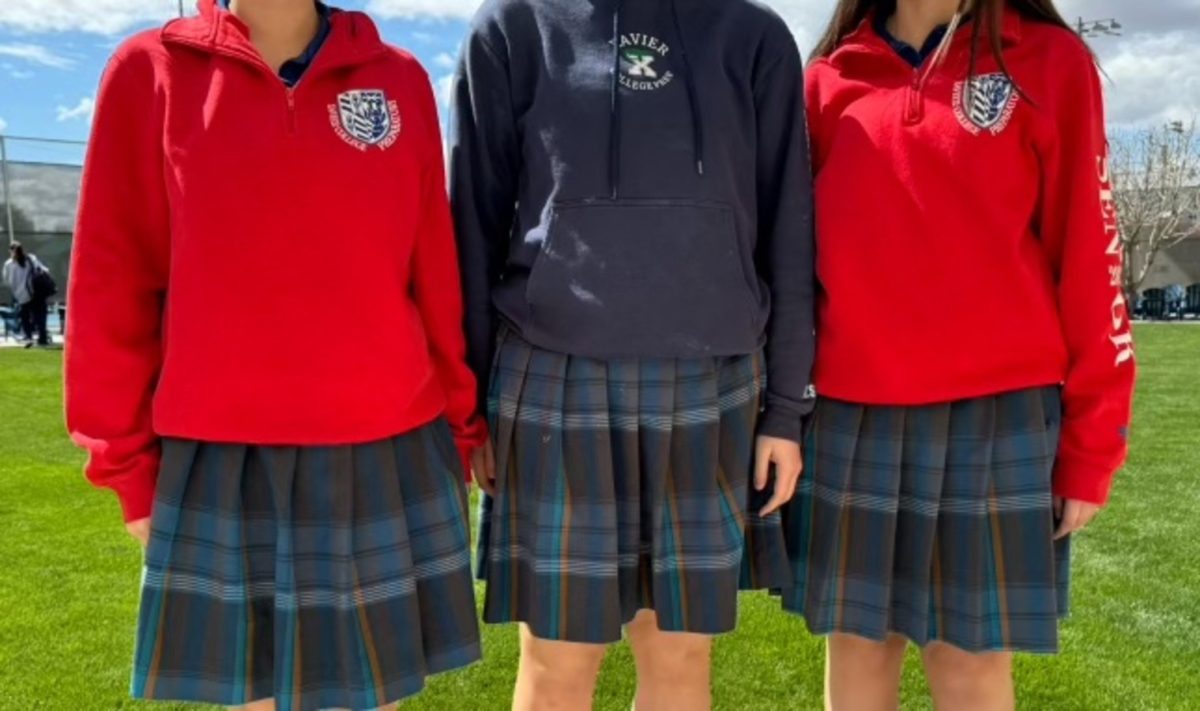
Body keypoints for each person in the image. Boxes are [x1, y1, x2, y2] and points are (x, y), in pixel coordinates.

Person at [65, 0, 487, 708]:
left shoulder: (399, 77)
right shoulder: (149, 72)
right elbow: (111, 282)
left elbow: (433, 273)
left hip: (386, 445)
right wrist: (127, 466)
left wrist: (460, 429)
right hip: (222, 456)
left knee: (372, 697)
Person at [451, 0, 816, 708]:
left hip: (714, 379)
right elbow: (471, 223)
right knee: (557, 655)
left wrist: (786, 408)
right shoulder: (515, 27)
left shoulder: (755, 36)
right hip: (552, 374)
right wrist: (470, 405)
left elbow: (790, 231)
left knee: (679, 650)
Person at [781, 0, 1137, 709]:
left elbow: (1091, 263)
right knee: (857, 654)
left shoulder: (1048, 62)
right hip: (851, 417)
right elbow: (792, 268)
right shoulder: (827, 78)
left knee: (968, 665)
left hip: (998, 421)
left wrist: (1093, 445)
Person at [2, 242, 51, 347]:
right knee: (40, 316)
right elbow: (44, 270)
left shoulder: (9, 264)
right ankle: (42, 338)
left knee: (25, 318)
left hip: (21, 295)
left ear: (11, 251)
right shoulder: (30, 259)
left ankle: (28, 337)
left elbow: (6, 281)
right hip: (36, 292)